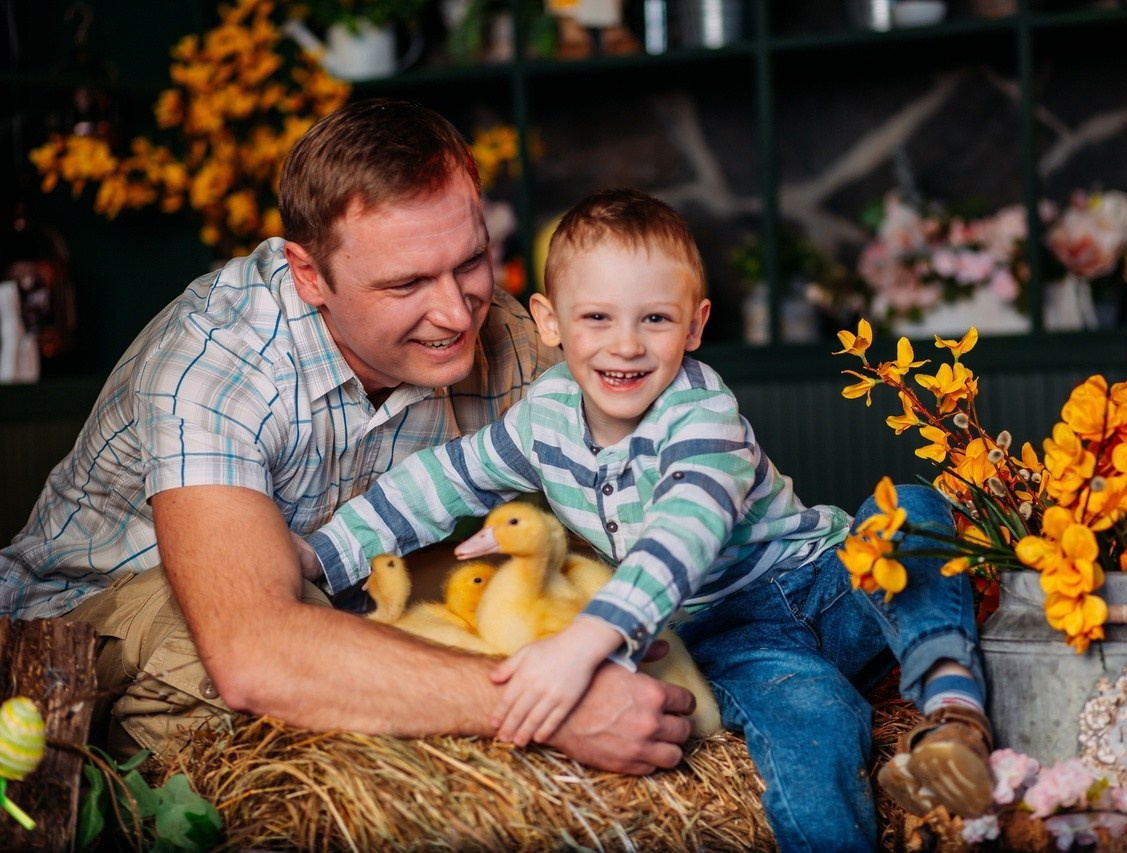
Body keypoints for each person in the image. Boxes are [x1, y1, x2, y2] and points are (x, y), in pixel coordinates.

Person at [0, 99, 698, 775]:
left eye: (470, 262)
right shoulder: (215, 358)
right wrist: (551, 707)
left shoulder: (510, 338)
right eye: (406, 284)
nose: (456, 311)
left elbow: (654, 485)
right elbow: (255, 650)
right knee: (250, 682)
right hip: (84, 631)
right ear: (310, 275)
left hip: (344, 603)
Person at [305, 187, 995, 850]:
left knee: (910, 507)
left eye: (655, 319)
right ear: (550, 322)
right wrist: (321, 555)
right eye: (597, 318)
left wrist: (583, 644)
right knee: (814, 722)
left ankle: (953, 713)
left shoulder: (702, 412)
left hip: (826, 577)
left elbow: (682, 531)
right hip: (729, 634)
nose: (626, 345)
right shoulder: (544, 420)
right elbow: (439, 482)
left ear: (695, 323)